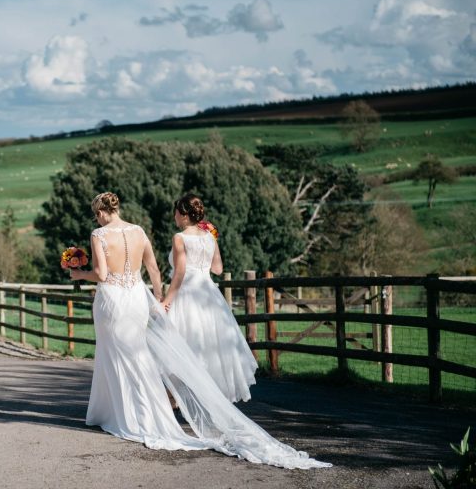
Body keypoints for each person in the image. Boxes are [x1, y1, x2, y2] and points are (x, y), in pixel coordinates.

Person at [70, 192, 330, 469]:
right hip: (161, 297)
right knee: (148, 356)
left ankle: (124, 414)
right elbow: (167, 268)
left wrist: (78, 274)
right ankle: (146, 411)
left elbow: (104, 274)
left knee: (121, 354)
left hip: (126, 298)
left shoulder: (101, 234)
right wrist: (157, 295)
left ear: (99, 212)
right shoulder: (142, 231)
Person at [162, 194, 258, 403]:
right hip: (208, 294)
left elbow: (179, 273)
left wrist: (166, 301)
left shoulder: (179, 238)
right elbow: (217, 268)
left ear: (185, 215)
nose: (175, 217)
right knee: (209, 345)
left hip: (187, 293)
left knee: (183, 344)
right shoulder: (209, 237)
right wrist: (211, 240)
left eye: (176, 213)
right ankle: (206, 399)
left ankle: (175, 397)